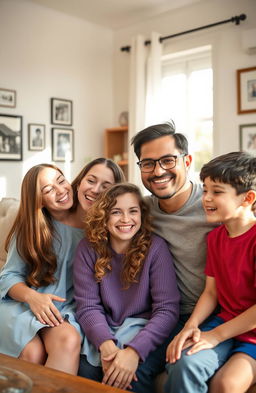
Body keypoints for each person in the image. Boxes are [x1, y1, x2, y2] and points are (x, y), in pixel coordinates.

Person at [0, 158, 124, 374]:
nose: (60, 191)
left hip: (64, 310)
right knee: (33, 352)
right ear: (38, 200)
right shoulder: (33, 227)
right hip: (23, 305)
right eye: (49, 189)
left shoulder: (110, 227)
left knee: (68, 339)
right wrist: (33, 297)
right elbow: (8, 275)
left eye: (61, 180)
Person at [131, 121, 218, 384]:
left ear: (187, 161)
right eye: (148, 163)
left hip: (215, 314)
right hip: (165, 315)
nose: (158, 171)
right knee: (129, 371)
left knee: (182, 367)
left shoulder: (214, 205)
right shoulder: (139, 212)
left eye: (168, 160)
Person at [73, 183, 180, 393]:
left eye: (133, 211)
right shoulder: (87, 249)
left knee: (132, 377)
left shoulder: (156, 248)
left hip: (149, 329)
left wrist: (133, 352)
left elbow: (167, 310)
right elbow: (87, 306)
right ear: (103, 216)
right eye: (115, 212)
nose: (125, 219)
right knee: (86, 371)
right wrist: (106, 345)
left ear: (142, 214)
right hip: (106, 326)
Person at [165, 151, 256, 393]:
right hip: (224, 322)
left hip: (252, 335)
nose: (206, 198)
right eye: (204, 190)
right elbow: (211, 292)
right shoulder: (215, 237)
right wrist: (191, 325)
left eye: (216, 191)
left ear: (247, 198)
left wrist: (215, 336)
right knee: (183, 362)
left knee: (225, 385)